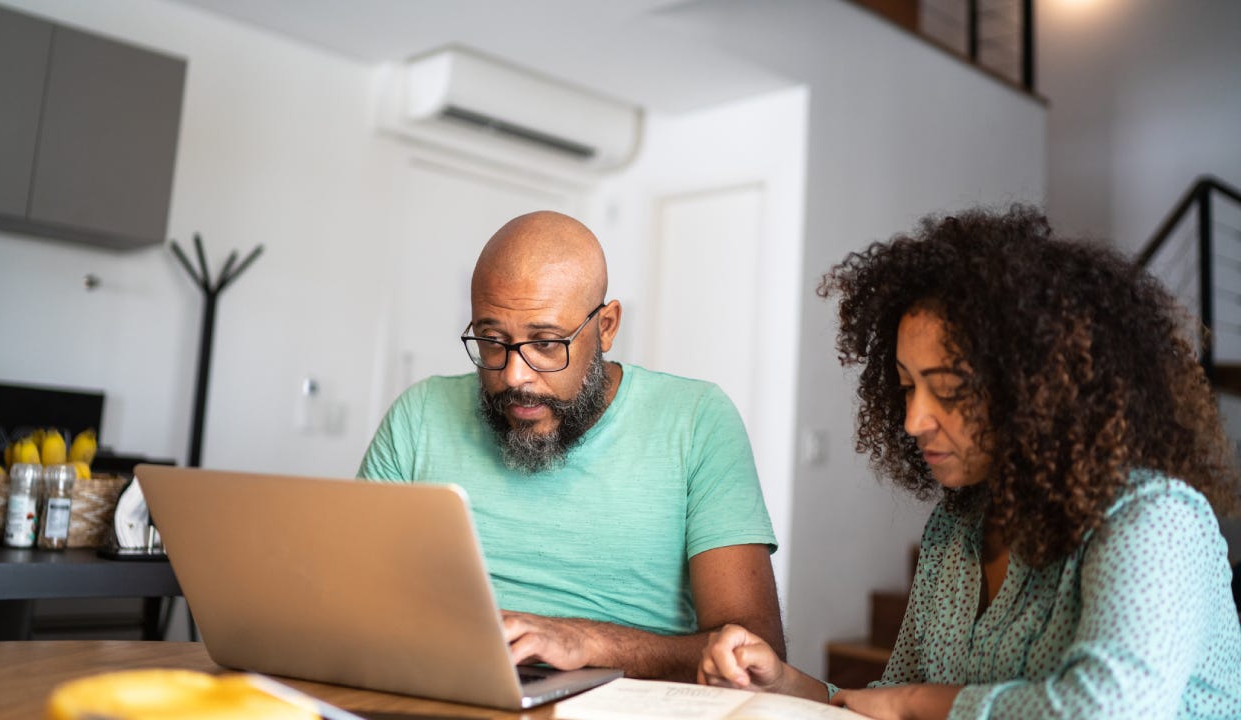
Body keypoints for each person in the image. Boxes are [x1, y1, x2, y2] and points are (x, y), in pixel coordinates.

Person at [699, 206, 1241, 718]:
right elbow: (894, 697)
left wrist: (913, 705)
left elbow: (1108, 708)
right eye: (907, 388)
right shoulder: (954, 530)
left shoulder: (1154, 519)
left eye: (951, 391)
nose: (914, 421)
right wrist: (784, 685)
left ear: (1040, 388)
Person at [358, 210, 784, 681]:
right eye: (492, 340)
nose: (514, 375)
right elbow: (350, 596)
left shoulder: (697, 420)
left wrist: (587, 642)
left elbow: (754, 651)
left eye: (545, 344)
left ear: (605, 326)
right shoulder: (419, 415)